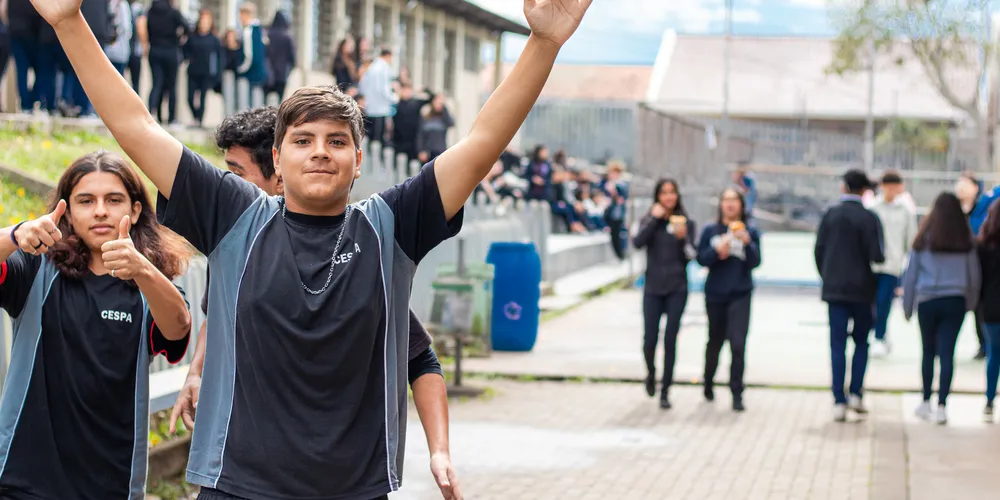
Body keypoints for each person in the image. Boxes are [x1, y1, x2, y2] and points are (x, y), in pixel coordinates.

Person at [35, 0, 592, 498]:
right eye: (303, 140)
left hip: (355, 489)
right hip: (236, 486)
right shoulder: (234, 216)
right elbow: (136, 126)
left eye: (337, 141)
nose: (320, 152)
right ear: (278, 160)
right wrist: (70, 22)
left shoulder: (391, 226)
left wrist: (543, 43)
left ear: (358, 160)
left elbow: (481, 142)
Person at [168, 106, 446, 443]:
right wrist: (196, 373)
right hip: (242, 454)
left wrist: (439, 450)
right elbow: (219, 317)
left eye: (237, 174)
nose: (224, 183)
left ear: (278, 172)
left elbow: (420, 358)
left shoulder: (361, 249)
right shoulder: (232, 243)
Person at [0, 152, 192, 499]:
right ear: (68, 212)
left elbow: (178, 328)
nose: (100, 211)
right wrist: (15, 234)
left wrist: (143, 270)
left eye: (113, 200)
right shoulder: (36, 271)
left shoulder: (149, 286)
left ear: (135, 210)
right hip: (24, 481)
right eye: (86, 201)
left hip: (112, 484)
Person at [902, 192, 980, 425]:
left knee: (928, 351)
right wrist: (971, 303)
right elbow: (974, 276)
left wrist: (908, 306)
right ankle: (942, 406)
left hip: (927, 300)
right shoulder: (965, 241)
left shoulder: (922, 239)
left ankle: (925, 400)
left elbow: (910, 276)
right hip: (955, 300)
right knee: (948, 353)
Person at [814, 169, 884, 422]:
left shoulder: (831, 215)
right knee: (862, 342)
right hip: (863, 290)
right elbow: (877, 255)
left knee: (837, 344)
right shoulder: (870, 218)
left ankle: (838, 399)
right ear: (864, 190)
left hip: (835, 289)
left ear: (843, 187)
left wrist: (828, 275)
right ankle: (856, 392)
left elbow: (819, 250)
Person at [696, 188, 761, 412]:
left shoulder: (750, 230)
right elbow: (701, 259)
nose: (730, 204)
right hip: (715, 293)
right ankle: (708, 381)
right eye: (726, 200)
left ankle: (737, 392)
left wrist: (747, 243)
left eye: (734, 200)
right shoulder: (710, 230)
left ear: (741, 204)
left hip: (740, 293)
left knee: (738, 343)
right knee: (715, 341)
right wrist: (717, 252)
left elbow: (756, 261)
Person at [633, 178, 696, 409]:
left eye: (672, 192)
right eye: (664, 192)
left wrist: (683, 238)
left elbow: (692, 255)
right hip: (653, 287)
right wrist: (654, 219)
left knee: (670, 338)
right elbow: (638, 243)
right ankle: (651, 373)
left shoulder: (686, 223)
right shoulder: (650, 220)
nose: (669, 197)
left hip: (677, 287)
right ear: (657, 196)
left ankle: (666, 389)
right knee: (650, 338)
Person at [869, 171, 917, 357]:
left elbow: (910, 239)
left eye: (894, 187)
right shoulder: (872, 207)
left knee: (884, 302)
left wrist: (907, 264)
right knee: (871, 303)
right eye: (887, 187)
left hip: (892, 265)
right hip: (870, 265)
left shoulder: (905, 211)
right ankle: (875, 332)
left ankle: (879, 336)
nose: (891, 190)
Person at [957, 172, 996, 360]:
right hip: (969, 263)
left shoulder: (986, 202)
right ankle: (983, 344)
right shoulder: (957, 209)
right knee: (976, 305)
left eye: (965, 185)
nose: (961, 189)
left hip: (984, 260)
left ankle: (988, 344)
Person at [977, 200, 1000, 421]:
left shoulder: (983, 247)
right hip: (990, 305)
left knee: (994, 353)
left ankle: (989, 400)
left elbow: (978, 280)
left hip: (990, 307)